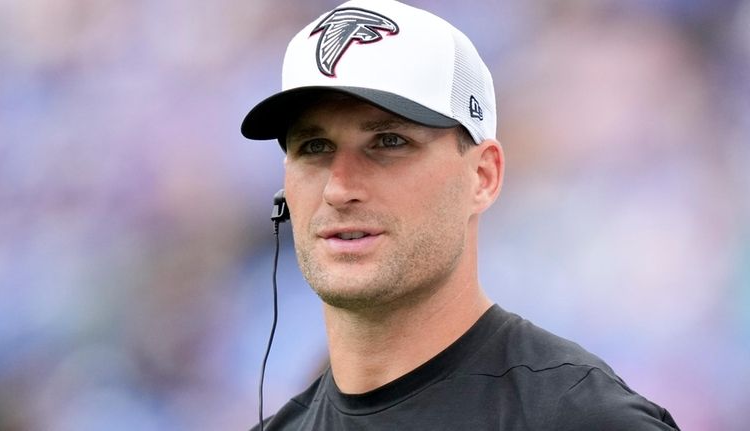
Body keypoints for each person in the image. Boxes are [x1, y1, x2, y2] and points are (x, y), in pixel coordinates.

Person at [241, 0, 680, 429]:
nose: (339, 188)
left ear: (483, 176)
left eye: (389, 142)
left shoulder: (582, 418)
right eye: (314, 147)